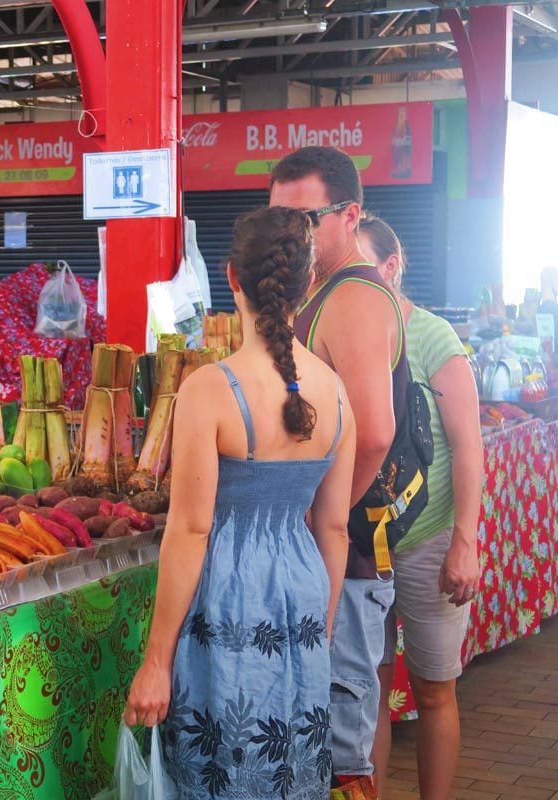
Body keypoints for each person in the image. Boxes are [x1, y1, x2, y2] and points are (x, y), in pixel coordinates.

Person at [124, 207, 355, 798]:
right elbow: (334, 529)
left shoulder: (208, 389)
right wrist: (319, 631)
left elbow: (190, 532)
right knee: (288, 769)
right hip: (303, 594)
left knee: (220, 767)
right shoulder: (334, 392)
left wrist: (156, 661)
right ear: (308, 284)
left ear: (231, 278)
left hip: (226, 597)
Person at [271, 145, 406, 792]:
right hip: (333, 550)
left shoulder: (352, 297)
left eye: (304, 219)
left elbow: (375, 434)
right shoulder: (322, 290)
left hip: (344, 560)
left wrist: (316, 521)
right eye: (278, 220)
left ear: (350, 215)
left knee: (340, 757)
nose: (288, 237)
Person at [361, 215, 482, 800]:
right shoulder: (342, 334)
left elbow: (467, 445)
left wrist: (465, 539)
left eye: (363, 269)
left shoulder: (434, 338)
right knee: (368, 688)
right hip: (361, 546)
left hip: (428, 540)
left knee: (435, 691)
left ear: (392, 266)